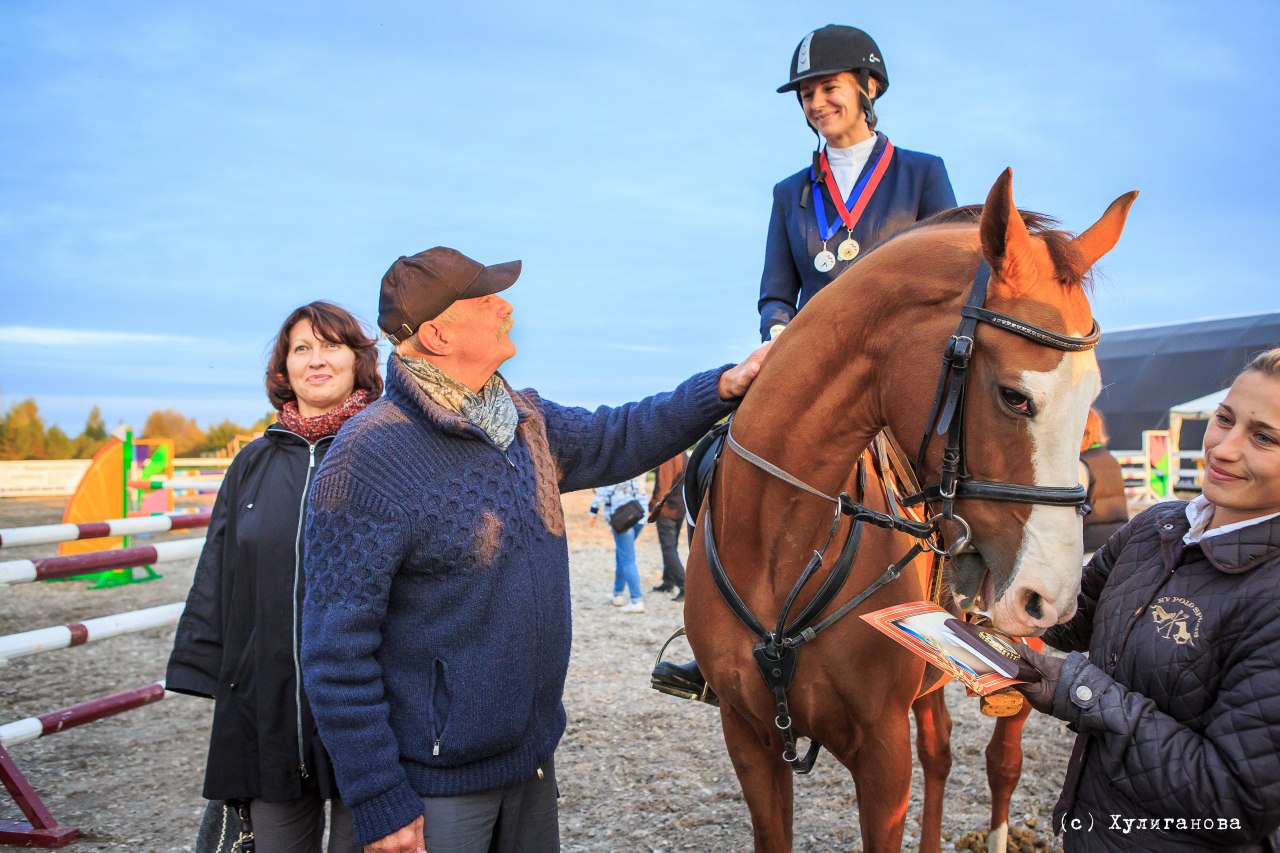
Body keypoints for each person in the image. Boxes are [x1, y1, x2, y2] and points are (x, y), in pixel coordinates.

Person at [299, 247, 770, 853]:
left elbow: (621, 432)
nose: (506, 306)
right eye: (485, 298)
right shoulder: (368, 457)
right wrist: (379, 799)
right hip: (434, 790)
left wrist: (724, 386)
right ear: (438, 334)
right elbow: (334, 654)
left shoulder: (524, 420)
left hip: (531, 764)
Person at [1015, 348, 1280, 851]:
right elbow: (1071, 620)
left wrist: (1080, 692)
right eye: (1225, 419)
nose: (1223, 449)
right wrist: (990, 587)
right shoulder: (1157, 527)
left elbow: (1235, 801)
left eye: (1264, 437)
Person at [167, 301, 383, 852]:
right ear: (284, 367)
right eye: (301, 348)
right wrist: (205, 664)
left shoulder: (389, 452)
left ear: (358, 360)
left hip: (369, 707)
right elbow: (219, 567)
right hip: (268, 705)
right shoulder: (253, 462)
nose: (316, 360)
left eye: (331, 345)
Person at [757, 24, 956, 342]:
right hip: (815, 352)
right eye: (807, 95)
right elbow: (776, 298)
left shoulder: (923, 173)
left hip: (895, 349)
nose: (816, 104)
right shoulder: (787, 193)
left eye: (829, 88)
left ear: (869, 87)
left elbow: (949, 276)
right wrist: (777, 337)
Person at [589, 476, 649, 613]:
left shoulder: (614, 471)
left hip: (622, 519)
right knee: (622, 554)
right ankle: (618, 594)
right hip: (639, 515)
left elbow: (603, 492)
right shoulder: (636, 469)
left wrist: (593, 512)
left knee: (627, 559)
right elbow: (641, 489)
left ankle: (636, 600)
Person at [1080, 408, 1128, 552]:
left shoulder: (1083, 463)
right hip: (1117, 540)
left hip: (1089, 543)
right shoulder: (1111, 459)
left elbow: (1074, 506)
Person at [649, 451, 689, 600]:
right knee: (672, 547)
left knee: (669, 549)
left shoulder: (669, 457)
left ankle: (684, 586)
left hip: (667, 510)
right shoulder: (684, 454)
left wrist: (653, 507)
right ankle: (668, 581)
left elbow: (663, 486)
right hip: (680, 508)